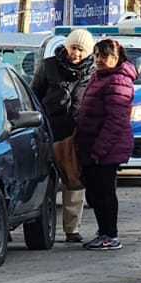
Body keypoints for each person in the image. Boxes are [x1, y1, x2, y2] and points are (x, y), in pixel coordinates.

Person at [31, 28, 95, 242]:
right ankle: (38, 225)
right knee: (44, 180)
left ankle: (72, 228)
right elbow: (35, 94)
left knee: (73, 181)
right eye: (73, 48)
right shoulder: (49, 66)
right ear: (67, 46)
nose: (76, 54)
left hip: (73, 132)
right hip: (47, 129)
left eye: (81, 50)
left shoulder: (92, 72)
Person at [74, 37, 136, 251]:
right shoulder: (99, 76)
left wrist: (99, 150)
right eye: (97, 55)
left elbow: (115, 120)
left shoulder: (118, 81)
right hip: (92, 145)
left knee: (104, 191)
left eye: (104, 56)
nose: (99, 60)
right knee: (94, 191)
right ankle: (104, 231)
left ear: (116, 57)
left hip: (106, 148)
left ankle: (111, 234)